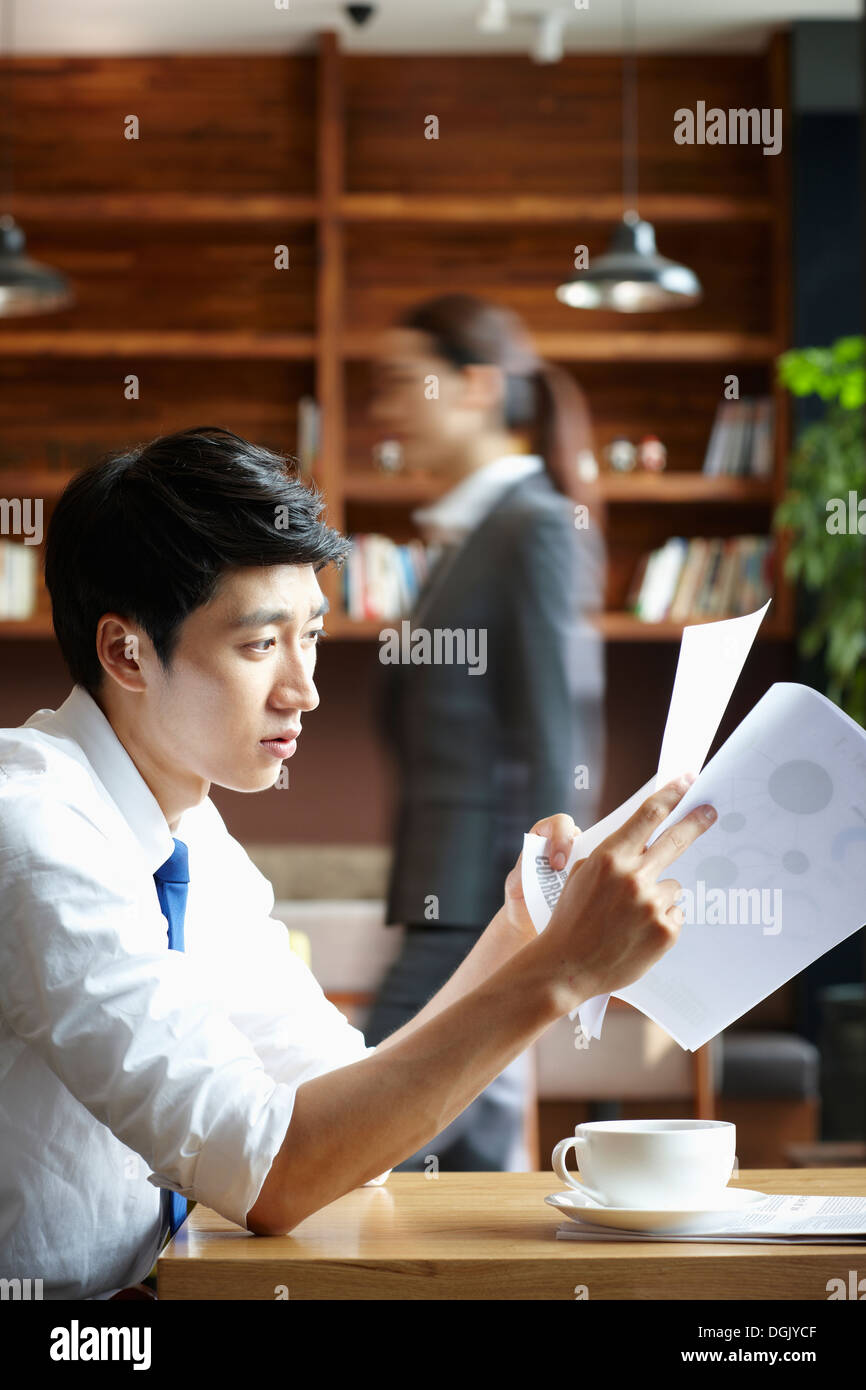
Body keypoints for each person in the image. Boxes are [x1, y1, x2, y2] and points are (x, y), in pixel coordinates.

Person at [0, 426, 715, 1298]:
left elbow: (344, 1123)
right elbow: (273, 1177)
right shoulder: (35, 832)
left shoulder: (188, 829)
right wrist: (557, 976)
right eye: (261, 645)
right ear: (126, 653)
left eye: (312, 636)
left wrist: (518, 941)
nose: (303, 686)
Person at [363, 294, 607, 1169]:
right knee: (469, 1155)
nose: (384, 410)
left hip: (480, 906)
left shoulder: (532, 527)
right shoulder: (472, 537)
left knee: (357, 1144)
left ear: (474, 386)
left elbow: (559, 735)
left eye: (402, 382)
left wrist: (537, 913)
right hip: (457, 898)